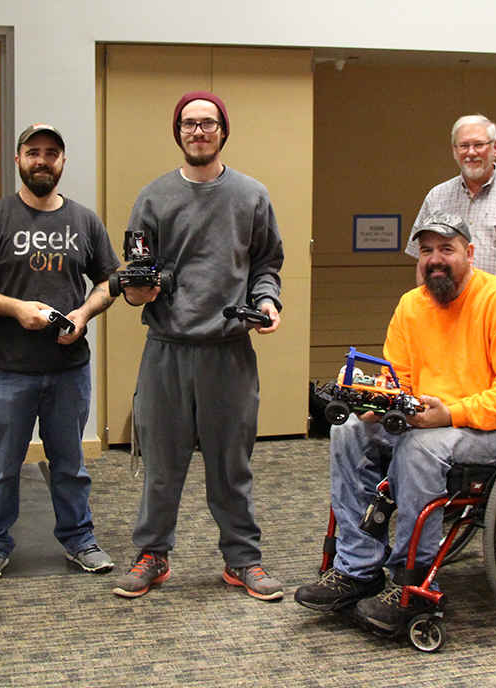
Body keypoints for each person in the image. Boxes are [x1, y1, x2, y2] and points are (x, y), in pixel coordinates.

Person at [295, 210, 496, 631]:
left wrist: (451, 414)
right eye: (427, 250)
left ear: (470, 253)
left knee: (419, 446)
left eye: (447, 249)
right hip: (429, 420)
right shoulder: (412, 306)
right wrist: (373, 399)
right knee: (348, 430)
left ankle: (410, 583)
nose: (435, 259)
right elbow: (399, 380)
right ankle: (358, 569)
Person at [112, 91, 286, 601]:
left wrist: (267, 301)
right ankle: (152, 555)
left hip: (228, 350)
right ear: (178, 133)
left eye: (208, 124)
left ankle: (242, 560)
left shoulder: (252, 195)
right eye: (189, 124)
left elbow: (266, 265)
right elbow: (137, 275)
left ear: (223, 131)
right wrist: (137, 290)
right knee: (161, 467)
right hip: (167, 350)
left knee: (232, 465)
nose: (199, 132)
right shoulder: (153, 198)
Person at [0, 124, 121, 582]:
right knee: (2, 465)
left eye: (51, 153)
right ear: (18, 160)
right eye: (33, 152)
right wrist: (15, 309)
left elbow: (108, 283)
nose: (41, 160)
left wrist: (84, 314)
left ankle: (79, 539)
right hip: (9, 369)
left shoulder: (85, 221)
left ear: (63, 162)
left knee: (70, 464)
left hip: (69, 369)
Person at [405, 115, 496, 301]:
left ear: (495, 148)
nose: (471, 152)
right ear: (454, 150)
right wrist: (428, 307)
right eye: (464, 146)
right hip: (448, 312)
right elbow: (422, 258)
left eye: (479, 145)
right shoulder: (436, 196)